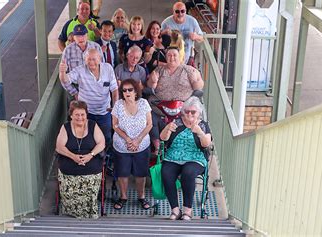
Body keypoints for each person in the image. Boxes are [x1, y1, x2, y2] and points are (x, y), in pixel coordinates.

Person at [159, 96, 212, 220]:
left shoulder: (203, 125)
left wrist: (199, 132)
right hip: (173, 157)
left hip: (195, 158)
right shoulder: (176, 122)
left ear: (199, 113)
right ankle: (175, 210)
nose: (189, 114)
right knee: (166, 172)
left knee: (188, 173)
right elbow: (163, 138)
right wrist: (167, 128)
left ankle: (187, 211)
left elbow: (206, 144)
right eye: (187, 111)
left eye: (193, 112)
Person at [146, 47, 204, 155]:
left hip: (182, 109)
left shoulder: (188, 70)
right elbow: (150, 85)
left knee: (193, 115)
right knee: (150, 116)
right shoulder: (159, 69)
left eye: (174, 55)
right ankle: (157, 146)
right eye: (169, 55)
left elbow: (198, 86)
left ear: (180, 57)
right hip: (160, 107)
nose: (172, 57)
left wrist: (197, 80)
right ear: (166, 57)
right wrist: (153, 81)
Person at [55, 100, 106, 219]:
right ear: (71, 115)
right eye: (77, 114)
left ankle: (90, 213)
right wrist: (73, 157)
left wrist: (90, 155)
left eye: (82, 114)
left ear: (86, 115)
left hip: (91, 163)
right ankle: (72, 213)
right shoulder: (66, 127)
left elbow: (101, 143)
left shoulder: (93, 125)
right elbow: (59, 147)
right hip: (70, 163)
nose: (80, 117)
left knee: (91, 179)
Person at [59, 48, 118, 145]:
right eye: (88, 59)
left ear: (100, 59)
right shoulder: (80, 70)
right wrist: (62, 72)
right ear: (85, 60)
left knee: (106, 137)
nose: (91, 62)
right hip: (86, 113)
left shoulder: (108, 68)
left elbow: (114, 90)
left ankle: (104, 158)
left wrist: (115, 108)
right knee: (88, 138)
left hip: (104, 112)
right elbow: (66, 80)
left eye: (94, 59)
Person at [111, 79, 153, 210]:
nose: (127, 92)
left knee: (140, 174)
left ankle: (141, 197)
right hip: (122, 145)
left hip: (142, 145)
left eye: (130, 90)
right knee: (122, 173)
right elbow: (115, 125)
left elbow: (150, 124)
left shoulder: (144, 103)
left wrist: (138, 140)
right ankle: (123, 197)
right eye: (124, 90)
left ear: (136, 91)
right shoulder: (118, 104)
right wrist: (128, 139)